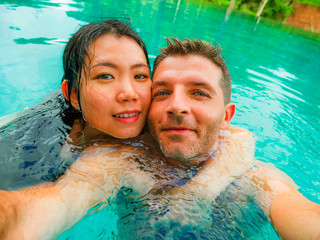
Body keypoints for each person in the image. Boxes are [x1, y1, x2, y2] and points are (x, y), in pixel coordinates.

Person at [0, 22, 255, 239]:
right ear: (73, 95)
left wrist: (199, 193)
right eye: (105, 76)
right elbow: (31, 211)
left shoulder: (150, 113)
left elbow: (240, 137)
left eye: (141, 76)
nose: (130, 93)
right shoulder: (34, 148)